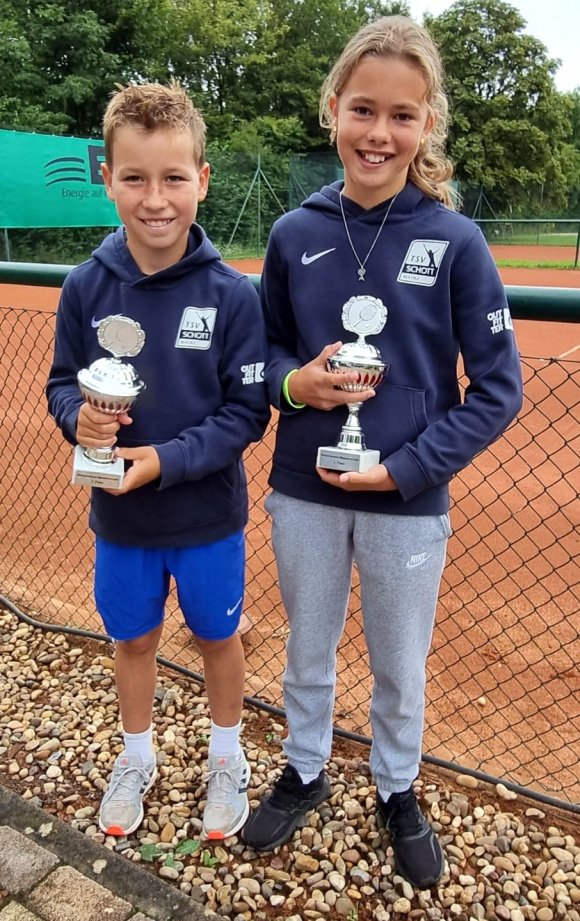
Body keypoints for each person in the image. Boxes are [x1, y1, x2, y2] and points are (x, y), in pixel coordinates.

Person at [242, 16, 523, 888]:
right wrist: (301, 386)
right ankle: (306, 768)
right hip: (306, 488)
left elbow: (499, 388)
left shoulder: (456, 240)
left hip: (407, 501)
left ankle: (398, 786)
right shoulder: (294, 232)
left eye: (402, 116)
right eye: (363, 109)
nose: (379, 133)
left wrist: (405, 468)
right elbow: (266, 357)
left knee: (401, 663)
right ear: (334, 110)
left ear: (426, 124)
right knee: (308, 647)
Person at [46, 82, 270, 841]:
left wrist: (163, 461)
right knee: (133, 638)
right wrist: (82, 421)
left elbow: (246, 413)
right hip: (121, 516)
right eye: (135, 177)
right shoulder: (84, 287)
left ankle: (227, 756)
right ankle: (135, 755)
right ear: (106, 178)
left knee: (217, 637)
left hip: (206, 516)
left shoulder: (234, 295)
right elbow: (59, 385)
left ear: (202, 180)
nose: (155, 198)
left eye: (173, 177)